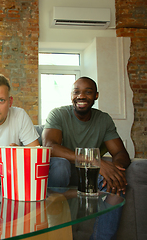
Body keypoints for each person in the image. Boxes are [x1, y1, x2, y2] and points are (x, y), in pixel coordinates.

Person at [42, 76, 131, 239]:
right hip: (63, 173)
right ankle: (53, 231)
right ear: (71, 95)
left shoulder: (103, 119)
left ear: (96, 95)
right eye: (76, 92)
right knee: (60, 165)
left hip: (90, 175)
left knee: (116, 183)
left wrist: (114, 170)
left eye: (88, 92)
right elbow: (50, 147)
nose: (81, 96)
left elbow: (121, 153)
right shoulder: (58, 114)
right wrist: (94, 160)